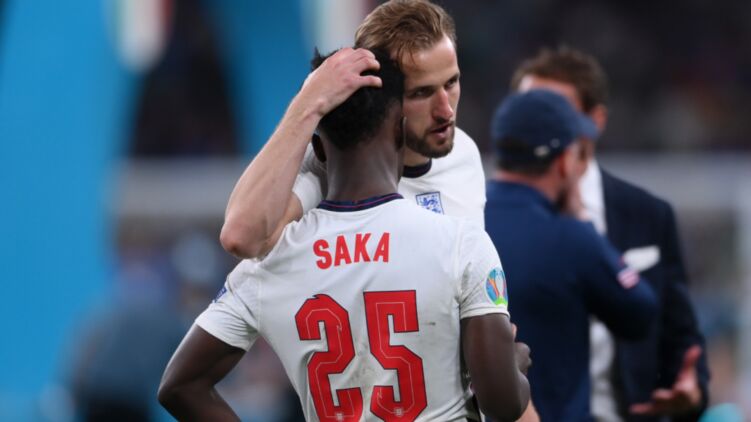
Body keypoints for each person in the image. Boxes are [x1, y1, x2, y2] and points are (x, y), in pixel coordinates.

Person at [158, 50, 531, 422]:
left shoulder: (269, 263)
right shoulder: (460, 243)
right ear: (400, 131)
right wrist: (513, 367)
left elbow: (180, 386)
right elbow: (501, 403)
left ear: (318, 149)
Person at [511, 47, 710, 421]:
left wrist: (693, 389)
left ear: (596, 121)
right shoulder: (487, 217)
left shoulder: (648, 215)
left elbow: (680, 334)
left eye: (553, 111)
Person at [219, 0, 485, 260]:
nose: (446, 111)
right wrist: (307, 102)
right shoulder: (333, 167)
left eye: (451, 83)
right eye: (421, 93)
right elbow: (240, 237)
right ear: (382, 95)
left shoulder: (465, 153)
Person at [484, 89, 659, 421]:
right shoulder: (572, 238)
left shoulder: (463, 221)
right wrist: (583, 222)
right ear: (564, 162)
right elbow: (641, 312)